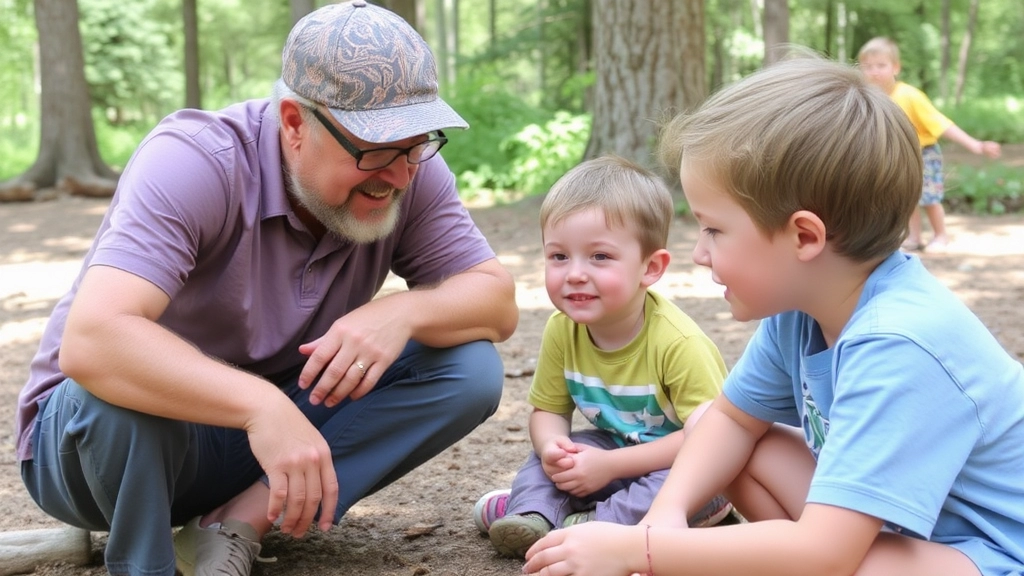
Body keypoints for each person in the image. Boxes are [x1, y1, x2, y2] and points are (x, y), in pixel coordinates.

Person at [14, 2, 518, 576]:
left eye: (415, 143)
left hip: (261, 441)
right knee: (118, 396)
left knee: (468, 368)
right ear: (295, 123)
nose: (400, 174)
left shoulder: (409, 169)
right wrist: (261, 406)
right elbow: (93, 342)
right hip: (95, 450)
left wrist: (403, 311)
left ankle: (234, 523)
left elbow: (496, 302)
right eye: (374, 148)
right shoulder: (194, 162)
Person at [522, 57, 1024, 576]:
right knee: (741, 446)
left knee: (845, 566)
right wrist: (662, 516)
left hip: (994, 547)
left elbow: (827, 554)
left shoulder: (898, 342)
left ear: (803, 237)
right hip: (898, 527)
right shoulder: (801, 310)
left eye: (713, 230)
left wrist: (639, 551)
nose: (699, 253)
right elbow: (730, 419)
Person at [472, 156, 731, 559]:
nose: (575, 273)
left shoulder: (678, 343)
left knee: (684, 486)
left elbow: (712, 440)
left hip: (681, 463)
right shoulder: (563, 330)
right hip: (607, 450)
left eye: (600, 257)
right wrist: (556, 448)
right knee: (548, 459)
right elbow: (547, 411)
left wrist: (613, 467)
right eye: (559, 257)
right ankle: (532, 515)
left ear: (650, 267)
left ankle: (593, 527)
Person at [858, 36, 1001, 253]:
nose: (874, 72)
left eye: (881, 65)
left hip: (924, 154)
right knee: (907, 199)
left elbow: (940, 124)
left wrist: (975, 145)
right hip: (898, 156)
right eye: (868, 67)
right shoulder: (870, 98)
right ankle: (914, 237)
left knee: (929, 197)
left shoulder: (910, 95)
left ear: (895, 67)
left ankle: (941, 235)